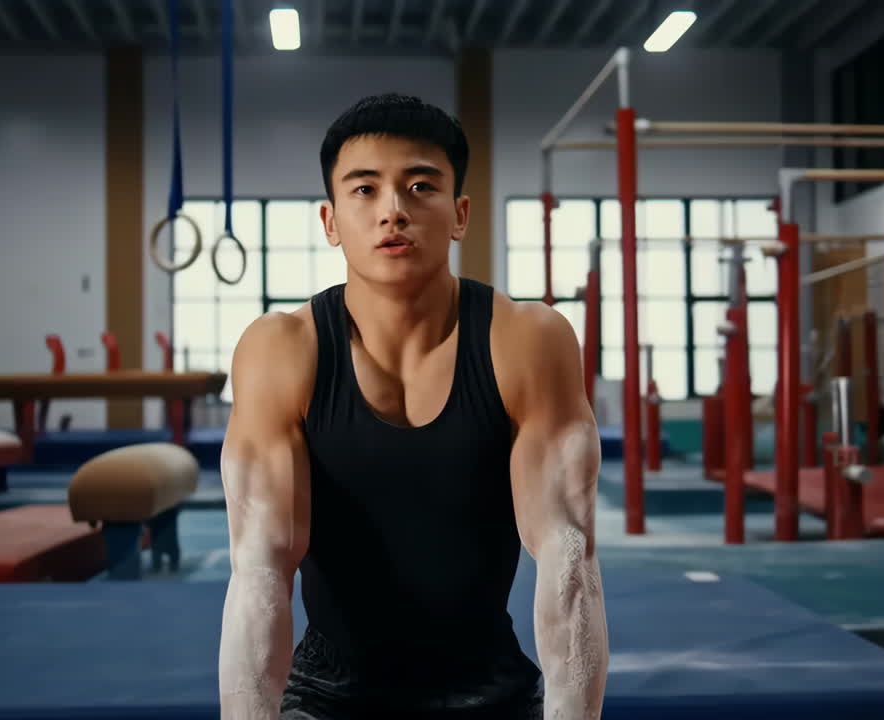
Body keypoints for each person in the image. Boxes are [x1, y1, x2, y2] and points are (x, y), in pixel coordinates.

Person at [218, 93, 608, 719]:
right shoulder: (281, 351)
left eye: (420, 187)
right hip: (328, 697)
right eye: (365, 190)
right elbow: (261, 571)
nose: (393, 212)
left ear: (459, 214)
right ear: (330, 221)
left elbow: (568, 558)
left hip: (490, 691)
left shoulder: (527, 340)